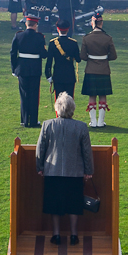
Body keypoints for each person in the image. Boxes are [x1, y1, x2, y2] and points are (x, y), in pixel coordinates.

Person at [36, 92, 94, 246]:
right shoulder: (81, 127)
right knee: (74, 204)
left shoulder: (47, 125)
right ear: (72, 109)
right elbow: (87, 152)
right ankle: (74, 235)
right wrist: (89, 171)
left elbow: (40, 148)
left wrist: (40, 167)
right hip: (74, 172)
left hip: (52, 171)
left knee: (54, 204)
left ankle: (56, 235)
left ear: (57, 109)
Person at [80, 13, 117, 127]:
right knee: (102, 95)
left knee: (92, 95)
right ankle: (101, 122)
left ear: (92, 23)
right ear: (101, 23)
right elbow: (113, 56)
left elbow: (83, 56)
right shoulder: (108, 38)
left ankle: (93, 122)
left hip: (90, 69)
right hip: (104, 70)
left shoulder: (86, 38)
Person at [11, 15, 47, 127]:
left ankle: (24, 120)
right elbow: (44, 55)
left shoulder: (18, 35)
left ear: (26, 24)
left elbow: (13, 53)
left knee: (24, 94)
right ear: (35, 25)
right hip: (35, 69)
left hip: (22, 68)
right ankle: (33, 121)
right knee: (34, 95)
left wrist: (14, 69)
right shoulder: (40, 37)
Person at [45, 19, 81, 101]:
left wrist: (48, 75)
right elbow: (78, 60)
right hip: (70, 75)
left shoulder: (53, 43)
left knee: (59, 99)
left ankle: (60, 114)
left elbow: (49, 62)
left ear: (58, 29)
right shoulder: (73, 43)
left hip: (58, 75)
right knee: (69, 99)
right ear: (68, 30)